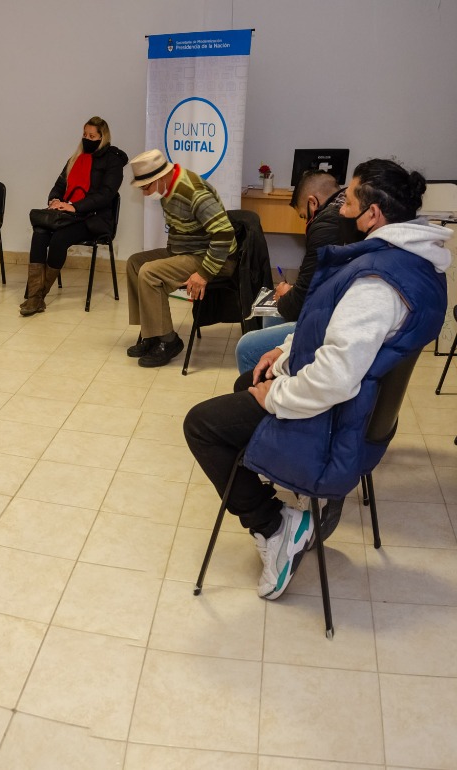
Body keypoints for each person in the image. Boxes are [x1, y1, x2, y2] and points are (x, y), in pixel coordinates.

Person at [183, 159, 449, 600]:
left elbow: (335, 379)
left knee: (201, 425)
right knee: (248, 380)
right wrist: (286, 351)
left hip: (336, 422)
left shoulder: (377, 285)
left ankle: (276, 527)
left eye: (350, 199)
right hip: (356, 410)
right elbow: (332, 330)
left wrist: (276, 396)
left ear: (373, 214)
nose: (341, 206)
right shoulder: (412, 262)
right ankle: (279, 491)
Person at [234, 170, 360, 373]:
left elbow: (297, 305)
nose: (305, 223)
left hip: (334, 319)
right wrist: (292, 293)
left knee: (246, 347)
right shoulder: (340, 215)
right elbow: (313, 281)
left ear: (313, 203)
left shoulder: (326, 226)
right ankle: (279, 375)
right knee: (273, 315)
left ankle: (266, 387)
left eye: (303, 216)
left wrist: (286, 295)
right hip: (335, 306)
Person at [125, 149, 237, 367]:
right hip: (187, 251)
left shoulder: (193, 192)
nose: (144, 194)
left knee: (150, 272)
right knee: (135, 264)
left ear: (159, 178)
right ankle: (152, 333)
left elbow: (224, 233)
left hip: (214, 258)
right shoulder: (167, 189)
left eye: (145, 187)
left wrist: (204, 274)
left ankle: (168, 341)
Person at [21, 117, 127, 316]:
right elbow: (59, 185)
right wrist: (55, 200)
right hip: (69, 214)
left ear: (102, 137)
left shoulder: (113, 161)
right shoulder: (76, 157)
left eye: (92, 136)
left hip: (95, 218)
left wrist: (74, 207)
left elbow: (106, 196)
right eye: (85, 135)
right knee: (40, 231)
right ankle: (34, 296)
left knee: (59, 238)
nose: (87, 139)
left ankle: (38, 296)